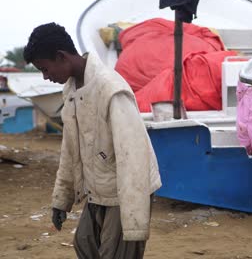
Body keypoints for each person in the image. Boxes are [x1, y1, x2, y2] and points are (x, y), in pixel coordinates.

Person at [23, 22, 162, 259]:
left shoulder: (111, 89)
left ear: (61, 56)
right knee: (85, 245)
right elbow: (70, 151)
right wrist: (61, 200)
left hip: (124, 194)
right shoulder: (71, 92)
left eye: (45, 69)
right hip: (96, 191)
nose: (46, 77)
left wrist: (134, 222)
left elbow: (134, 157)